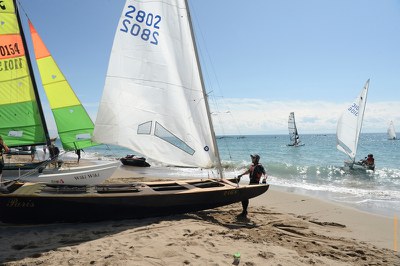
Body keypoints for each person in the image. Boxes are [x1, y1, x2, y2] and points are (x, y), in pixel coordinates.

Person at [236, 154, 267, 218]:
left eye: (253, 158)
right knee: (244, 196)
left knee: (244, 196)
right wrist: (241, 175)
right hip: (250, 184)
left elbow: (265, 173)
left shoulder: (259, 166)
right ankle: (244, 211)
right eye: (252, 157)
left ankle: (244, 212)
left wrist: (264, 179)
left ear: (257, 159)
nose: (252, 158)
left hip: (255, 185)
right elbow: (248, 171)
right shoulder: (252, 166)